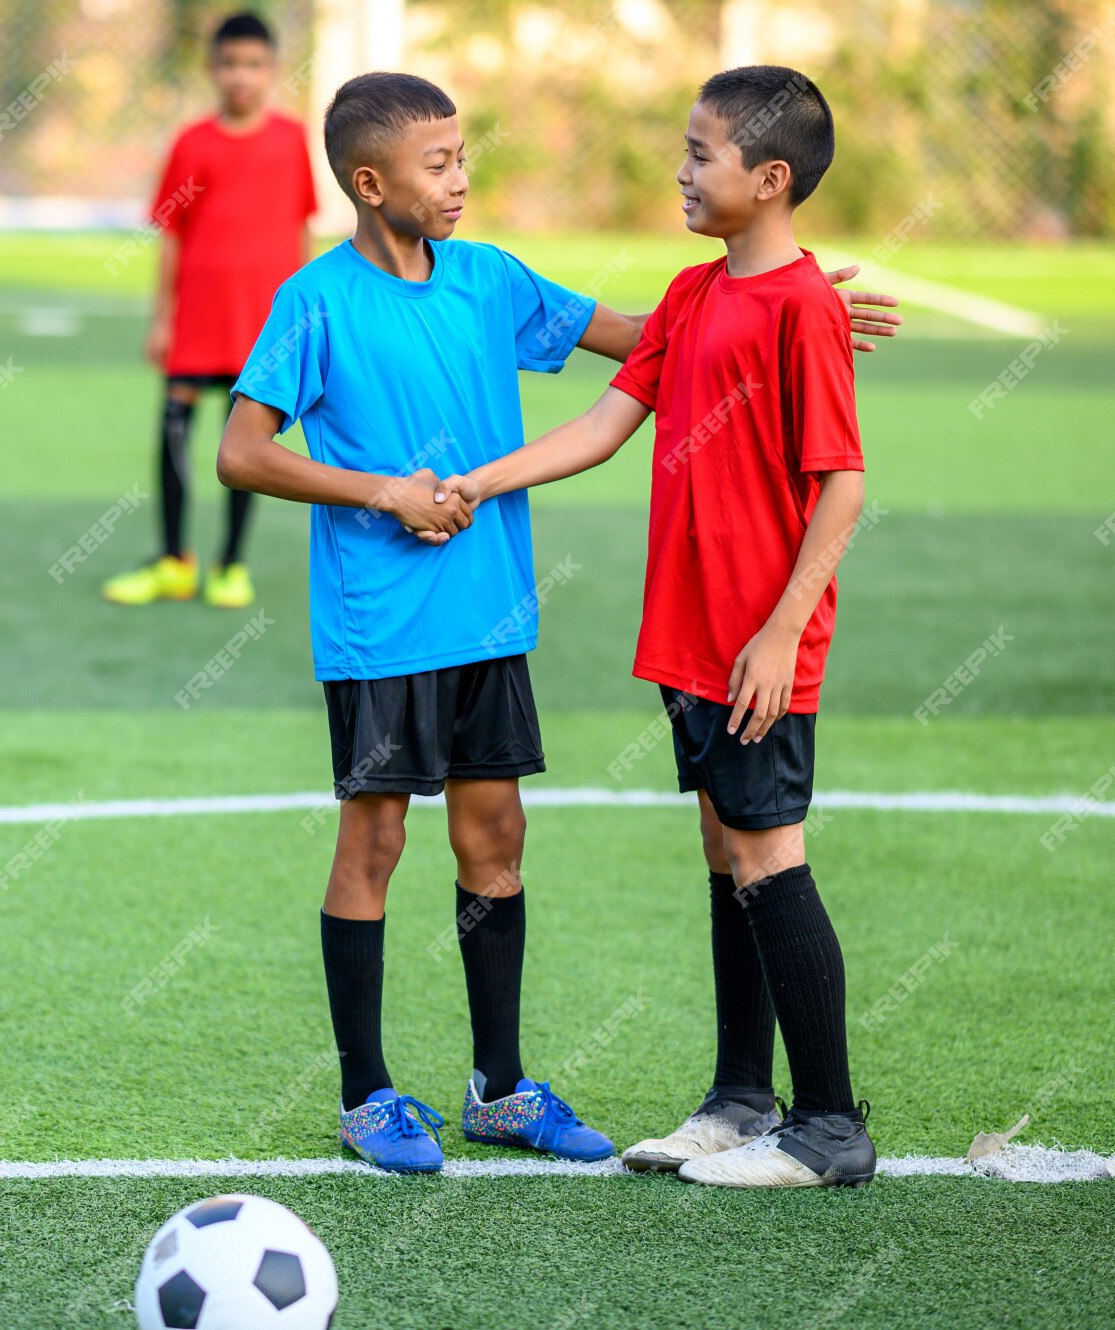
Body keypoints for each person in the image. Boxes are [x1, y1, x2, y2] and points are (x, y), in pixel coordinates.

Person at [436, 65, 878, 1187]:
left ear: (768, 178)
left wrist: (780, 630)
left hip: (756, 644)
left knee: (768, 852)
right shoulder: (688, 298)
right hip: (688, 635)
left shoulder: (804, 309)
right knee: (724, 848)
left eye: (699, 153)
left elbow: (841, 487)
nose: (679, 172)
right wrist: (476, 483)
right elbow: (600, 424)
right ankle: (738, 1099)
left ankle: (827, 1126)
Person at [101, 11, 317, 610]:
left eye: (253, 65)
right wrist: (162, 317)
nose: (240, 76)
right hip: (196, 319)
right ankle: (174, 561)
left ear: (271, 70)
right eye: (229, 64)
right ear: (212, 69)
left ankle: (231, 564)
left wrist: (303, 320)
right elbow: (171, 233)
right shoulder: (191, 142)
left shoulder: (291, 140)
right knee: (173, 431)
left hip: (260, 323)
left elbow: (301, 230)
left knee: (248, 444)